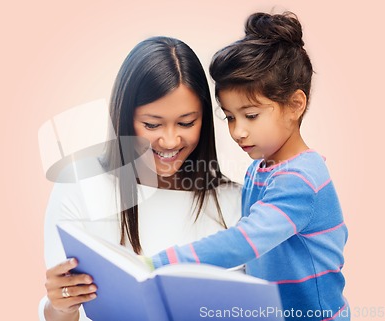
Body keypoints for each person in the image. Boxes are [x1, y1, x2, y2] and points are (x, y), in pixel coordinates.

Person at [148, 12, 349, 320]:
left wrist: (159, 264)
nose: (238, 131)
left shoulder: (301, 179)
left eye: (251, 115)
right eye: (230, 117)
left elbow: (245, 242)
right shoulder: (260, 169)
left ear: (295, 104)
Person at [39, 36, 243, 321]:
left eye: (186, 123)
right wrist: (60, 306)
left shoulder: (235, 202)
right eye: (152, 124)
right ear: (123, 117)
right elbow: (63, 311)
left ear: (204, 119)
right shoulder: (79, 188)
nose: (170, 140)